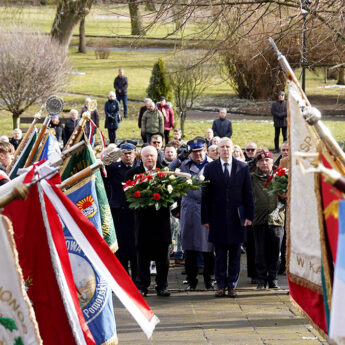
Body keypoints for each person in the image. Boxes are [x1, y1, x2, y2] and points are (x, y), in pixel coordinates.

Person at [201, 137, 254, 298]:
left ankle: (232, 285)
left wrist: (249, 216)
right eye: (222, 147)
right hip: (217, 218)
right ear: (218, 150)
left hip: (237, 218)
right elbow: (206, 195)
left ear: (232, 149)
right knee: (220, 255)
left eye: (227, 147)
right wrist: (205, 219)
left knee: (236, 255)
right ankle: (220, 285)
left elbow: (248, 194)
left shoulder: (242, 167)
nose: (225, 149)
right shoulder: (210, 168)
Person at [125, 146, 171, 297]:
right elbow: (127, 196)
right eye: (146, 156)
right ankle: (142, 285)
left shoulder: (166, 172)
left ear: (157, 156)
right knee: (142, 256)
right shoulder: (132, 174)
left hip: (161, 221)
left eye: (152, 155)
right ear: (141, 158)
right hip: (142, 222)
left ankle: (162, 286)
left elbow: (174, 195)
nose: (150, 158)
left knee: (162, 257)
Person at [180, 138, 214, 290]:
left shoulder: (213, 165)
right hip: (190, 211)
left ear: (205, 149)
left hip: (208, 209)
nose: (198, 155)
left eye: (200, 151)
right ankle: (191, 281)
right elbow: (170, 173)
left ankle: (210, 280)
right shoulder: (184, 165)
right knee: (190, 248)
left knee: (209, 248)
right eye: (194, 152)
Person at [251, 150, 285, 290]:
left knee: (275, 252)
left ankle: (273, 279)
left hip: (277, 221)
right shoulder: (252, 178)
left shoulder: (281, 177)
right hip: (259, 220)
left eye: (267, 160)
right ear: (257, 164)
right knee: (260, 253)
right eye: (261, 161)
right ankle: (261, 280)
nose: (265, 163)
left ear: (272, 162)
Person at [106, 140, 139, 280]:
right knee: (120, 247)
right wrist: (112, 155)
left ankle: (138, 278)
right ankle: (122, 278)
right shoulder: (114, 168)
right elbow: (101, 166)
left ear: (135, 154)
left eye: (130, 153)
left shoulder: (139, 168)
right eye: (124, 154)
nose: (127, 156)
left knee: (136, 245)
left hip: (135, 211)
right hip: (118, 211)